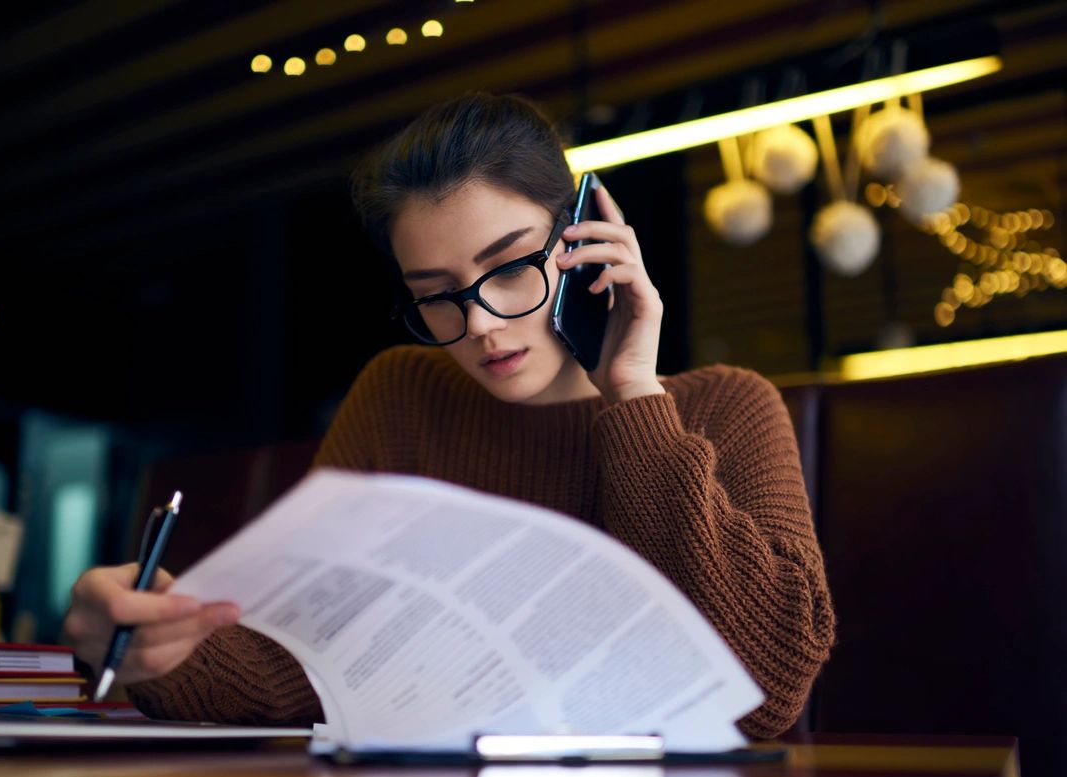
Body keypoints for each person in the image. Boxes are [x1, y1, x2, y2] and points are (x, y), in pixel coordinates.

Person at [64, 92, 835, 739]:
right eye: (436, 293)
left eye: (508, 267)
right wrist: (161, 648)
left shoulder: (727, 407)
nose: (481, 324)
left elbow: (764, 694)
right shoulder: (402, 392)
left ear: (585, 239)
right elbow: (309, 659)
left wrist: (633, 392)